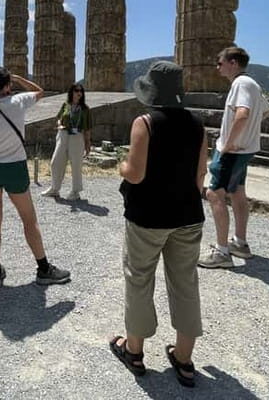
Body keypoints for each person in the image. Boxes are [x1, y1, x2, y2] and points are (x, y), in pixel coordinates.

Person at [111, 61, 207, 387]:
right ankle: (184, 359)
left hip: (148, 216)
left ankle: (134, 351)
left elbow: (135, 173)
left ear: (152, 90)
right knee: (186, 284)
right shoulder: (198, 125)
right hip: (188, 216)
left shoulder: (145, 123)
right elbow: (199, 179)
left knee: (139, 280)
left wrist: (122, 165)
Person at [0, 67, 70, 289]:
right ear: (8, 85)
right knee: (28, 219)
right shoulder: (19, 101)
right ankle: (43, 268)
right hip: (14, 167)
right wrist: (19, 79)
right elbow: (40, 91)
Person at [198, 47, 269, 269]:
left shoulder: (241, 83)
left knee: (213, 193)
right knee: (237, 191)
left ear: (233, 63)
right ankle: (240, 243)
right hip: (245, 149)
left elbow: (242, 114)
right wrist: (248, 134)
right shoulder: (253, 85)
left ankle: (222, 252)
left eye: (220, 63)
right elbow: (266, 110)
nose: (217, 67)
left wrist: (227, 144)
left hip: (233, 150)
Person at [42, 82, 93, 200]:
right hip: (63, 134)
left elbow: (88, 128)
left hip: (77, 137)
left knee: (76, 164)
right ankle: (54, 188)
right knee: (56, 162)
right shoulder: (65, 105)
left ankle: (75, 192)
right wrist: (60, 124)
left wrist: (88, 144)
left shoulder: (85, 109)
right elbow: (59, 118)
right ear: (71, 92)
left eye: (81, 91)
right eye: (76, 90)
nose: (79, 93)